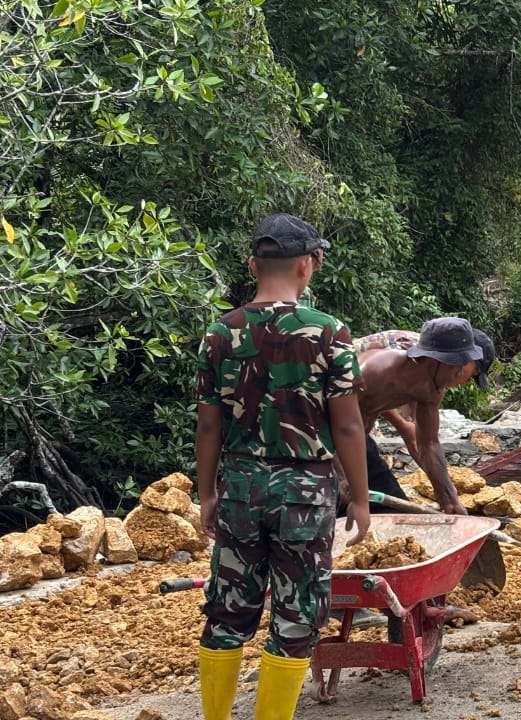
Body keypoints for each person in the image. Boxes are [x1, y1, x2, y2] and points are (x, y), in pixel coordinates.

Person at [195, 213, 370, 720]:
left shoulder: (220, 332)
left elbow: (208, 427)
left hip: (239, 487)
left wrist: (207, 493)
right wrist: (358, 498)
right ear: (307, 265)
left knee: (228, 611)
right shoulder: (328, 332)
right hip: (305, 495)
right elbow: (348, 428)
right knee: (296, 617)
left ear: (253, 264)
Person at [347, 318, 492, 517]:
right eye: (458, 364)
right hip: (322, 435)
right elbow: (338, 426)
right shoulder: (374, 371)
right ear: (436, 359)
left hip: (356, 437)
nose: (459, 373)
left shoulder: (431, 390)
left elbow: (429, 445)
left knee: (388, 508)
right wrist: (344, 480)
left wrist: (449, 498)